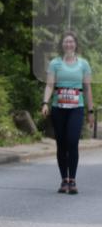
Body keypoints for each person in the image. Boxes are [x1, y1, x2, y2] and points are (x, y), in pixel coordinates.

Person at [41, 31, 95, 195]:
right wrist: (45, 102)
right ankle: (64, 179)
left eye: (71, 41)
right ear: (62, 45)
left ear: (76, 44)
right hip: (59, 108)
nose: (69, 44)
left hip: (76, 109)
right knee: (61, 144)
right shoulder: (55, 63)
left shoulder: (83, 64)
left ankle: (73, 180)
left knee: (72, 142)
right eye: (66, 42)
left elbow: (87, 89)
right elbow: (50, 85)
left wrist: (90, 110)